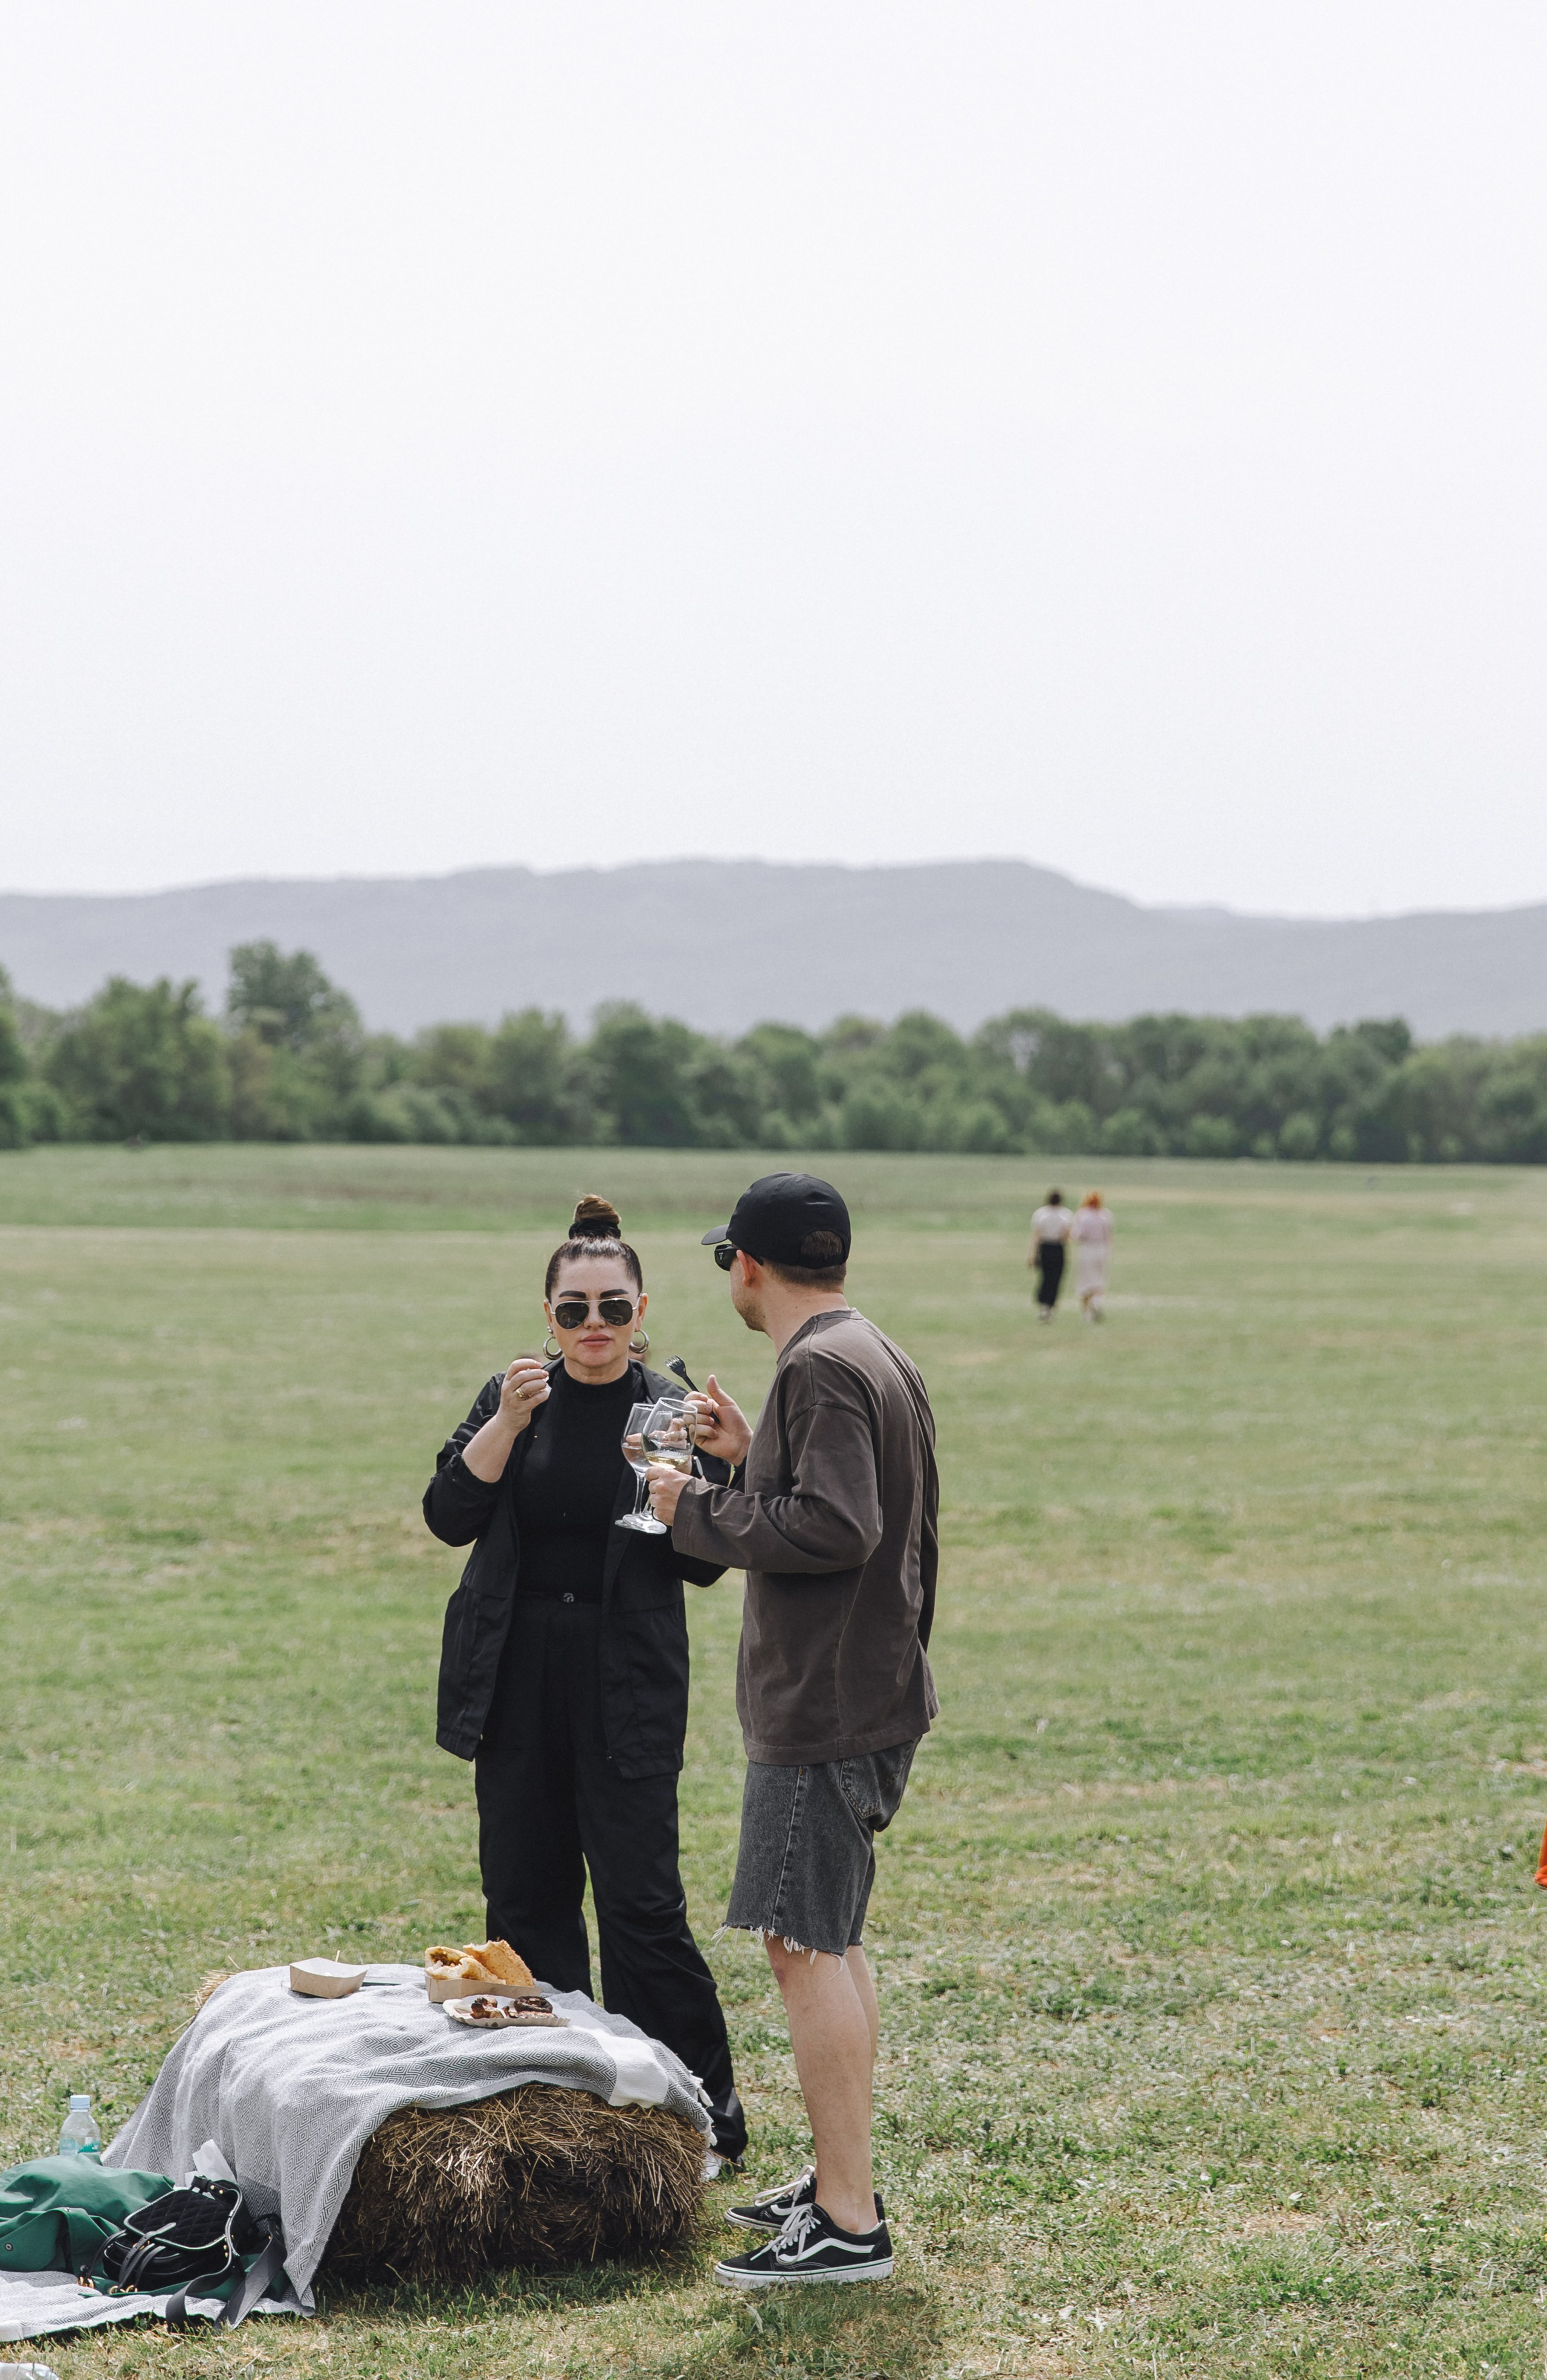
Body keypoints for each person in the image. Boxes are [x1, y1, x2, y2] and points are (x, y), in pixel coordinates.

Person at [645, 1172, 938, 2288]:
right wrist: (751, 1445)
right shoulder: (865, 1349)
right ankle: (837, 2180)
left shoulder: (816, 1363)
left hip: (825, 1703)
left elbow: (840, 1523)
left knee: (800, 1942)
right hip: (869, 1690)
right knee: (831, 1934)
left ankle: (850, 2222)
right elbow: (842, 1487)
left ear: (747, 1265)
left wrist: (695, 1504)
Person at [422, 1193, 746, 2162]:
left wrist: (707, 1479)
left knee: (642, 1906)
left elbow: (696, 1561)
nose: (594, 1326)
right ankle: (548, 2112)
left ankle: (699, 2111)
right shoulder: (512, 1396)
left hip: (625, 1677)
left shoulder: (661, 1410)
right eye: (575, 1309)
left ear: (642, 1311)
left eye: (613, 1307)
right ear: (549, 1316)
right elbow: (448, 1514)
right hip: (516, 1672)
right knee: (523, 1897)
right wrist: (507, 1425)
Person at [1028, 1188, 1071, 1321]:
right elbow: (1066, 1236)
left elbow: (1036, 1236)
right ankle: (1050, 1306)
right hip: (1058, 1248)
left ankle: (1043, 1305)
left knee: (1045, 1277)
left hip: (1044, 1247)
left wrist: (1033, 1255)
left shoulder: (1041, 1214)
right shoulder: (1066, 1215)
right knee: (1056, 1278)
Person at [1071, 1189, 1114, 1321]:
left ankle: (1086, 1315)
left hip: (1087, 1249)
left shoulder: (1083, 1215)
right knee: (1099, 1278)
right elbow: (1109, 1236)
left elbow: (1078, 1236)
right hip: (1101, 1249)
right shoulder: (1105, 1215)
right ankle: (1097, 1301)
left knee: (1085, 1280)